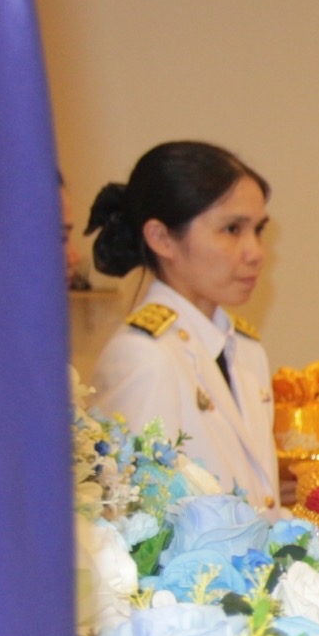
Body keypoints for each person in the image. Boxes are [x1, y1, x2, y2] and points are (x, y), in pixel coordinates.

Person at [85, 142, 279, 509]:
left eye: (258, 230)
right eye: (232, 229)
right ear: (160, 238)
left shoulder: (246, 352)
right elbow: (134, 521)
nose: (255, 251)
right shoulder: (143, 355)